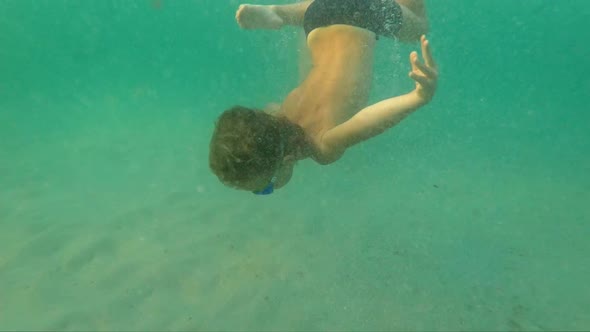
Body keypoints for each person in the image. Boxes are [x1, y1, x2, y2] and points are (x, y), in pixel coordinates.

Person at [209, 0, 438, 195]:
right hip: (317, 17)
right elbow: (250, 130)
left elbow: (366, 123)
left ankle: (285, 14)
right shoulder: (281, 111)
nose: (268, 190)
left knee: (418, 28)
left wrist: (416, 98)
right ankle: (282, 14)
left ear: (285, 161)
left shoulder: (321, 145)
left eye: (266, 188)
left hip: (363, 14)